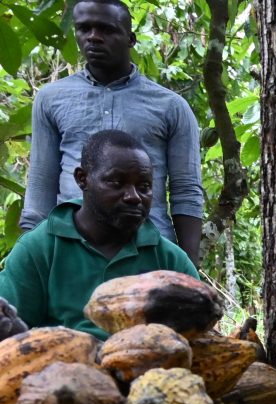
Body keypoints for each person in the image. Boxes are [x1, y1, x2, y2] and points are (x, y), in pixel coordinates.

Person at [21, 0, 203, 259]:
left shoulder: (171, 107)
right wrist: (31, 254)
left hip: (148, 248)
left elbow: (187, 191)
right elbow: (42, 182)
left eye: (106, 29)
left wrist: (188, 266)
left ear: (131, 39)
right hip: (70, 248)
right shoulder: (51, 98)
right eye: (84, 29)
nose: (93, 37)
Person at [0, 129, 200, 340]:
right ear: (82, 179)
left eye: (144, 187)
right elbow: (9, 326)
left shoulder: (170, 260)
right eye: (116, 182)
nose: (133, 197)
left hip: (150, 369)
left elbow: (202, 338)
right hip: (56, 369)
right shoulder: (40, 249)